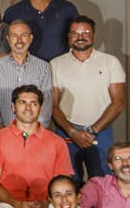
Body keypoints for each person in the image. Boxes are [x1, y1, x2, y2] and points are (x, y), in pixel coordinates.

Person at [51, 16, 125, 179]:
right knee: (68, 183)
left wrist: (92, 130)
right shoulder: (56, 64)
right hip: (67, 132)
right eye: (75, 33)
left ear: (94, 35)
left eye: (86, 32)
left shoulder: (110, 62)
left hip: (100, 132)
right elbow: (53, 104)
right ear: (68, 36)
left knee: (103, 183)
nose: (80, 36)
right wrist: (72, 132)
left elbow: (119, 102)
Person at [0, 85, 72, 208]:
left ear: (40, 109)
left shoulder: (57, 142)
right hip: (7, 204)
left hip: (47, 205)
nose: (28, 108)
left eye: (34, 103)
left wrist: (45, 205)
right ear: (13, 107)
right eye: (22, 103)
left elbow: (64, 183)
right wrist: (17, 204)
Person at [3, 0, 80, 61]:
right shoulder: (13, 12)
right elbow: (5, 45)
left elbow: (77, 39)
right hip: (27, 70)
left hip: (60, 69)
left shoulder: (67, 9)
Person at [0, 20, 53, 128]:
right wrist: (1, 131)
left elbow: (46, 104)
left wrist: (37, 132)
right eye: (14, 36)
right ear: (8, 39)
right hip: (4, 133)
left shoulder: (44, 68)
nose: (19, 40)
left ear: (31, 38)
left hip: (35, 136)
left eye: (23, 35)